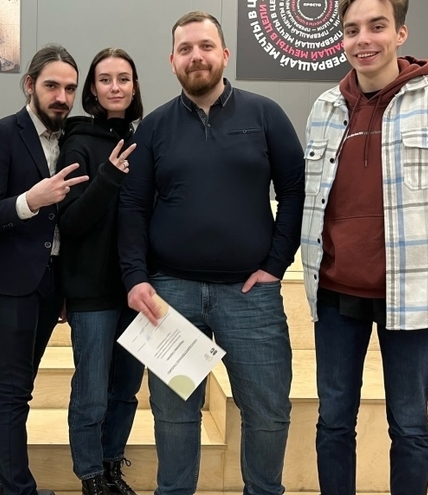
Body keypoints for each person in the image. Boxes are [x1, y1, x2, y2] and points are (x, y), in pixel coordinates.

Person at [118, 11, 305, 495]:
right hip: (170, 294)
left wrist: (276, 264)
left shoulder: (265, 115)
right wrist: (136, 277)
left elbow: (294, 191)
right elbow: (133, 207)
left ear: (224, 54)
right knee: (174, 415)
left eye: (205, 46)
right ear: (172, 61)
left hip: (251, 295)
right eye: (185, 49)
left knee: (268, 411)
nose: (196, 56)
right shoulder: (153, 128)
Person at [300, 0, 428, 493]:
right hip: (335, 295)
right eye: (352, 29)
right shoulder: (325, 107)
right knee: (333, 422)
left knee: (409, 426)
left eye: (377, 26)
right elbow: (314, 199)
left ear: (400, 33)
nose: (363, 39)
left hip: (412, 297)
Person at [0, 44, 88, 495]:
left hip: (50, 280)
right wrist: (29, 201)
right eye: (52, 86)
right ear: (29, 85)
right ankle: (18, 489)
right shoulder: (0, 134)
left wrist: (64, 287)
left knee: (14, 385)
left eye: (70, 89)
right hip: (7, 282)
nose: (62, 97)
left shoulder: (73, 137)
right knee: (16, 387)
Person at [56, 48, 145, 495]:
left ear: (134, 86)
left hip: (137, 290)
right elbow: (70, 221)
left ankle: (111, 467)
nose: (115, 87)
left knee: (126, 390)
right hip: (92, 292)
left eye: (123, 79)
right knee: (91, 392)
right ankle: (90, 474)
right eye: (105, 79)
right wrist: (108, 175)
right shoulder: (78, 143)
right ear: (92, 89)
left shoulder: (145, 140)